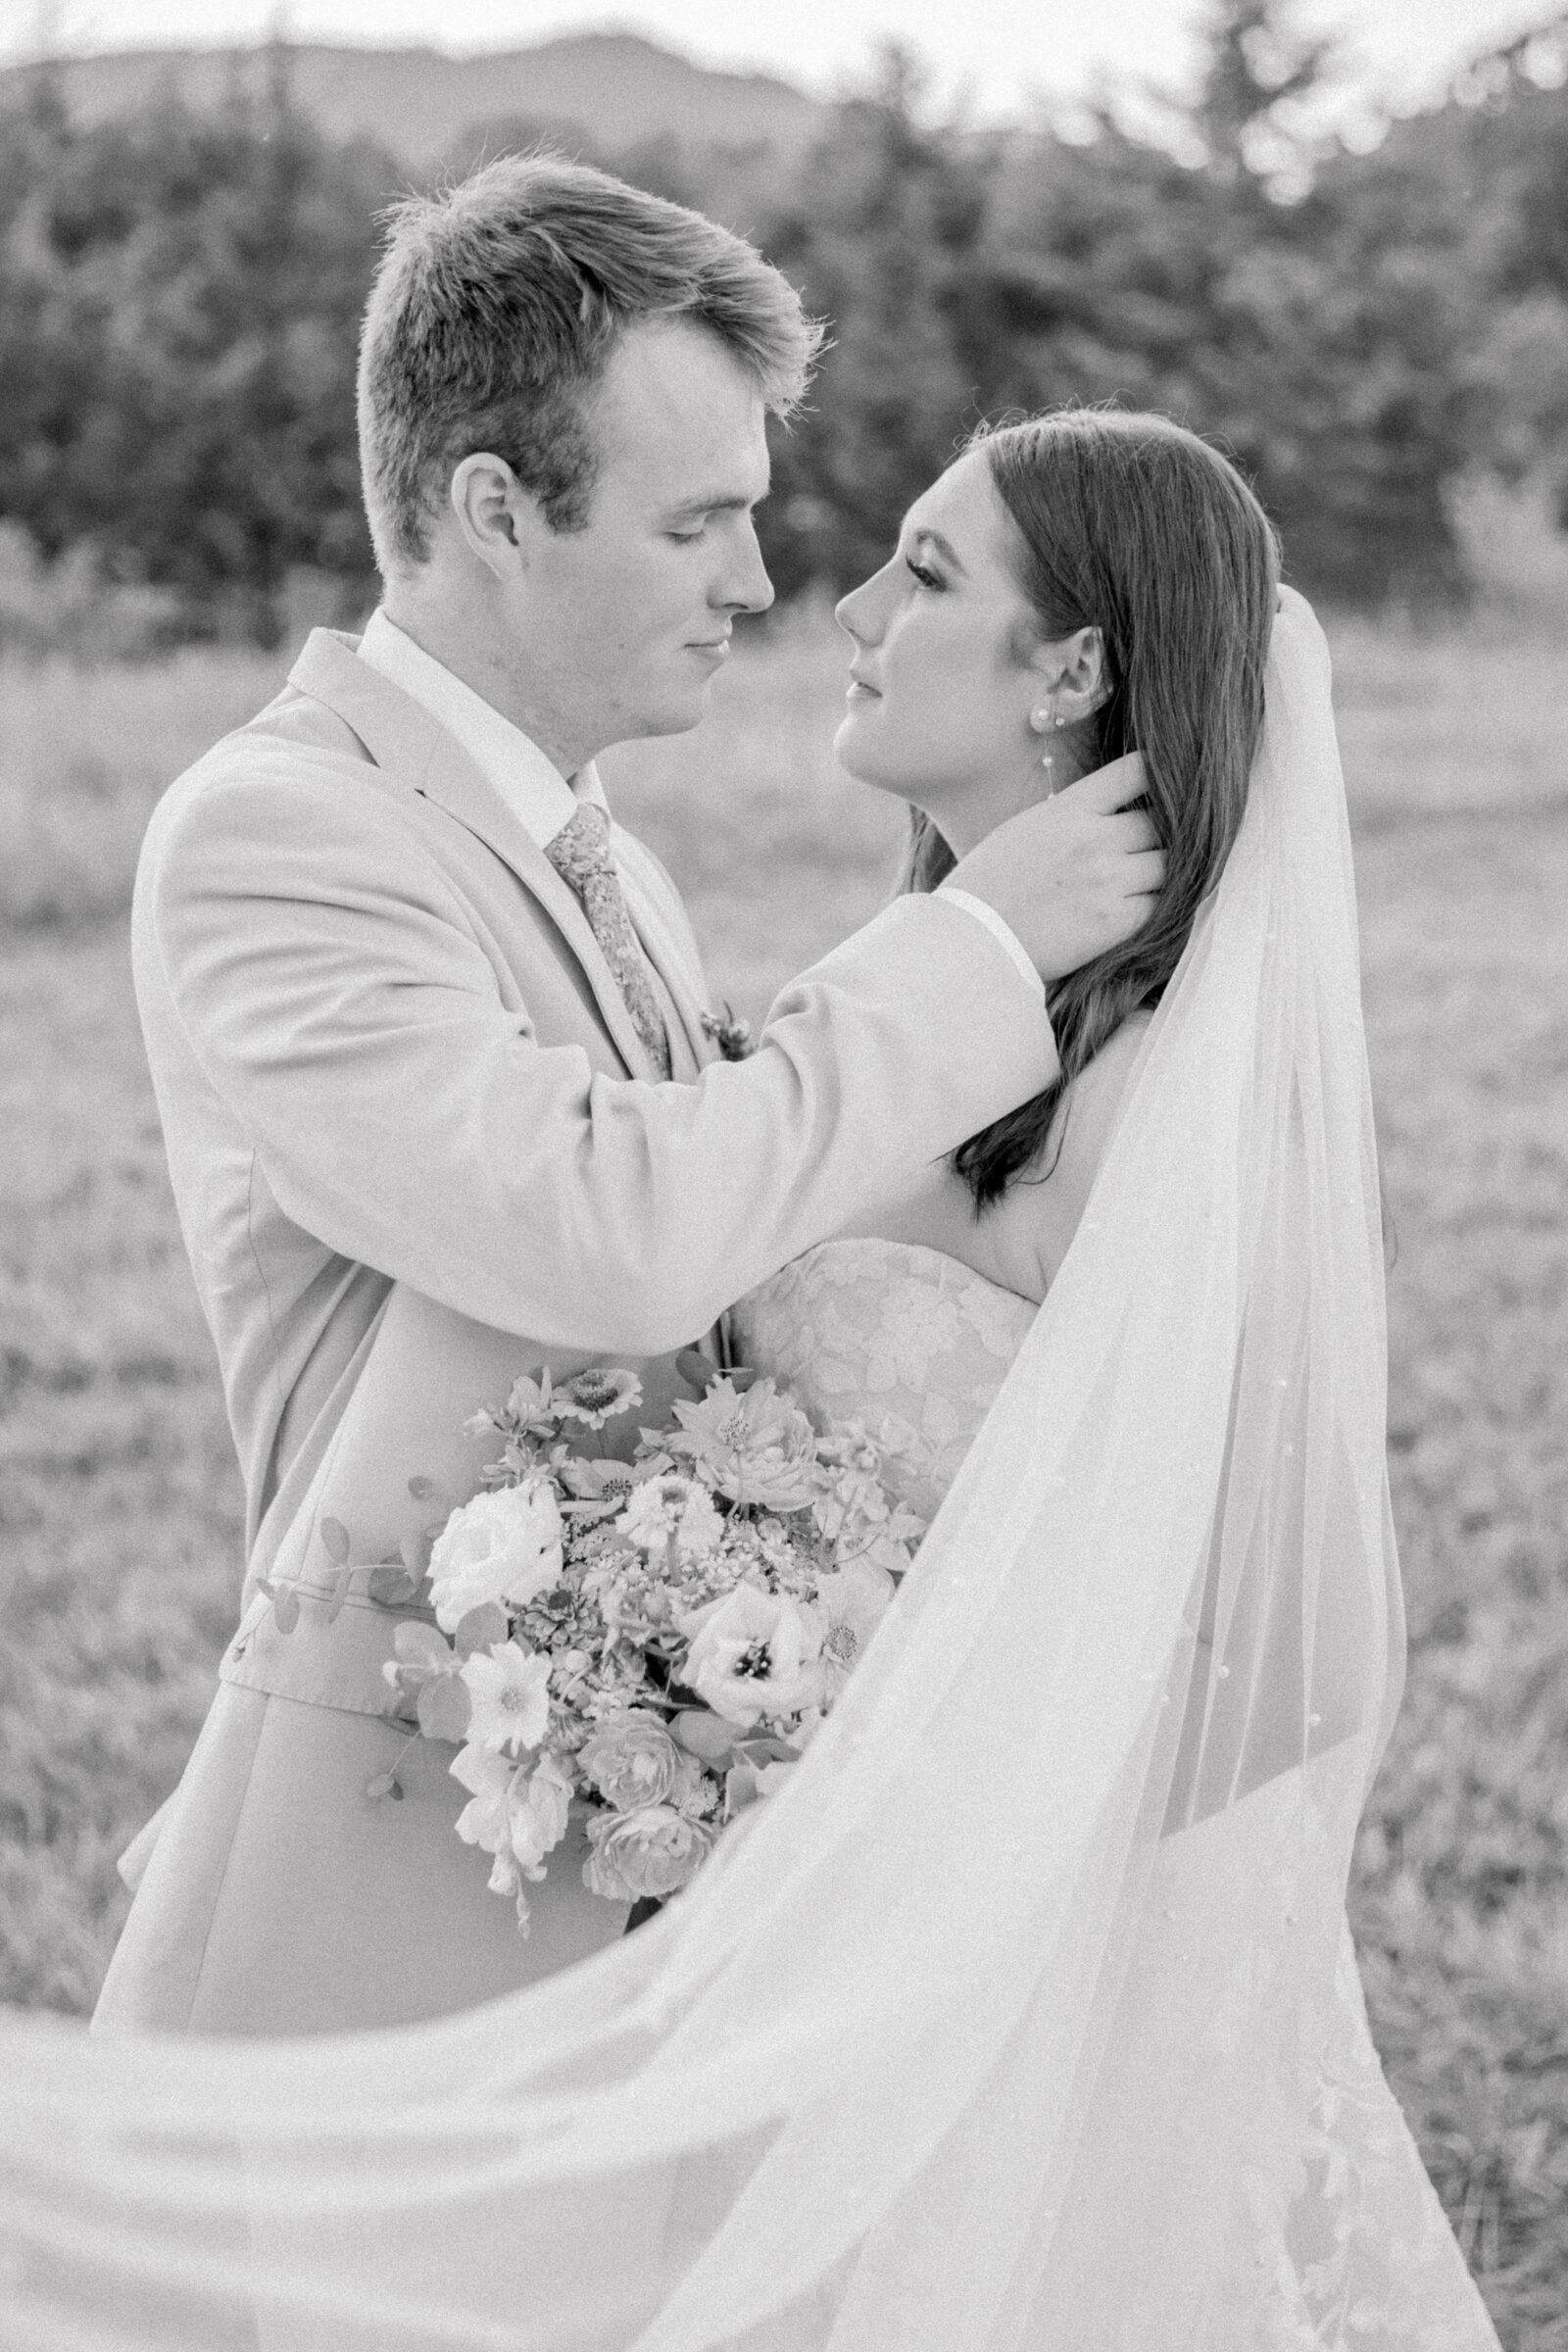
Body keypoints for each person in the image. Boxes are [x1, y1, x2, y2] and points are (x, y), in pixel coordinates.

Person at [0, 410, 1502, 2352]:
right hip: (743, 1941)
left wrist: (899, 1843)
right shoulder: (902, 997)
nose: (840, 605)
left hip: (961, 1995)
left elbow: (1288, 1648)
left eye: (927, 574)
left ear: (1068, 668)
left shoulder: (1164, 1100)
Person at [90, 157, 1161, 2037]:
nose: (757, 584)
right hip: (400, 1850)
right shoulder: (279, 834)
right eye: (698, 526)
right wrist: (977, 952)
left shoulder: (609, 856)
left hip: (640, 1826)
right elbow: (606, 1234)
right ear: (494, 510)